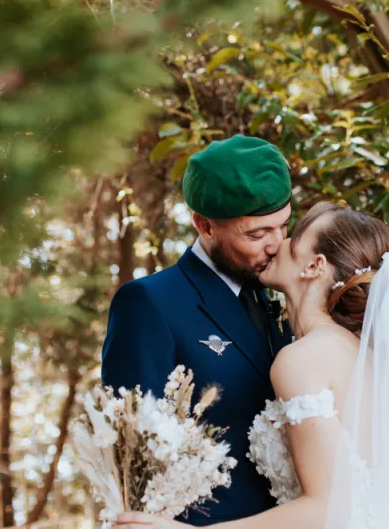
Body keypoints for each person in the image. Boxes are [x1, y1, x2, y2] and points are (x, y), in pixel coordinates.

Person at [112, 202, 389, 529]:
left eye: (292, 236)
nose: (278, 243)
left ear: (314, 266)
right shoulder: (359, 354)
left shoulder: (302, 359)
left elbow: (327, 508)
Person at [101, 134, 295, 526]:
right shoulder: (148, 303)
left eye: (282, 226)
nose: (276, 245)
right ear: (204, 225)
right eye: (256, 234)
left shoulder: (283, 294)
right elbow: (133, 461)